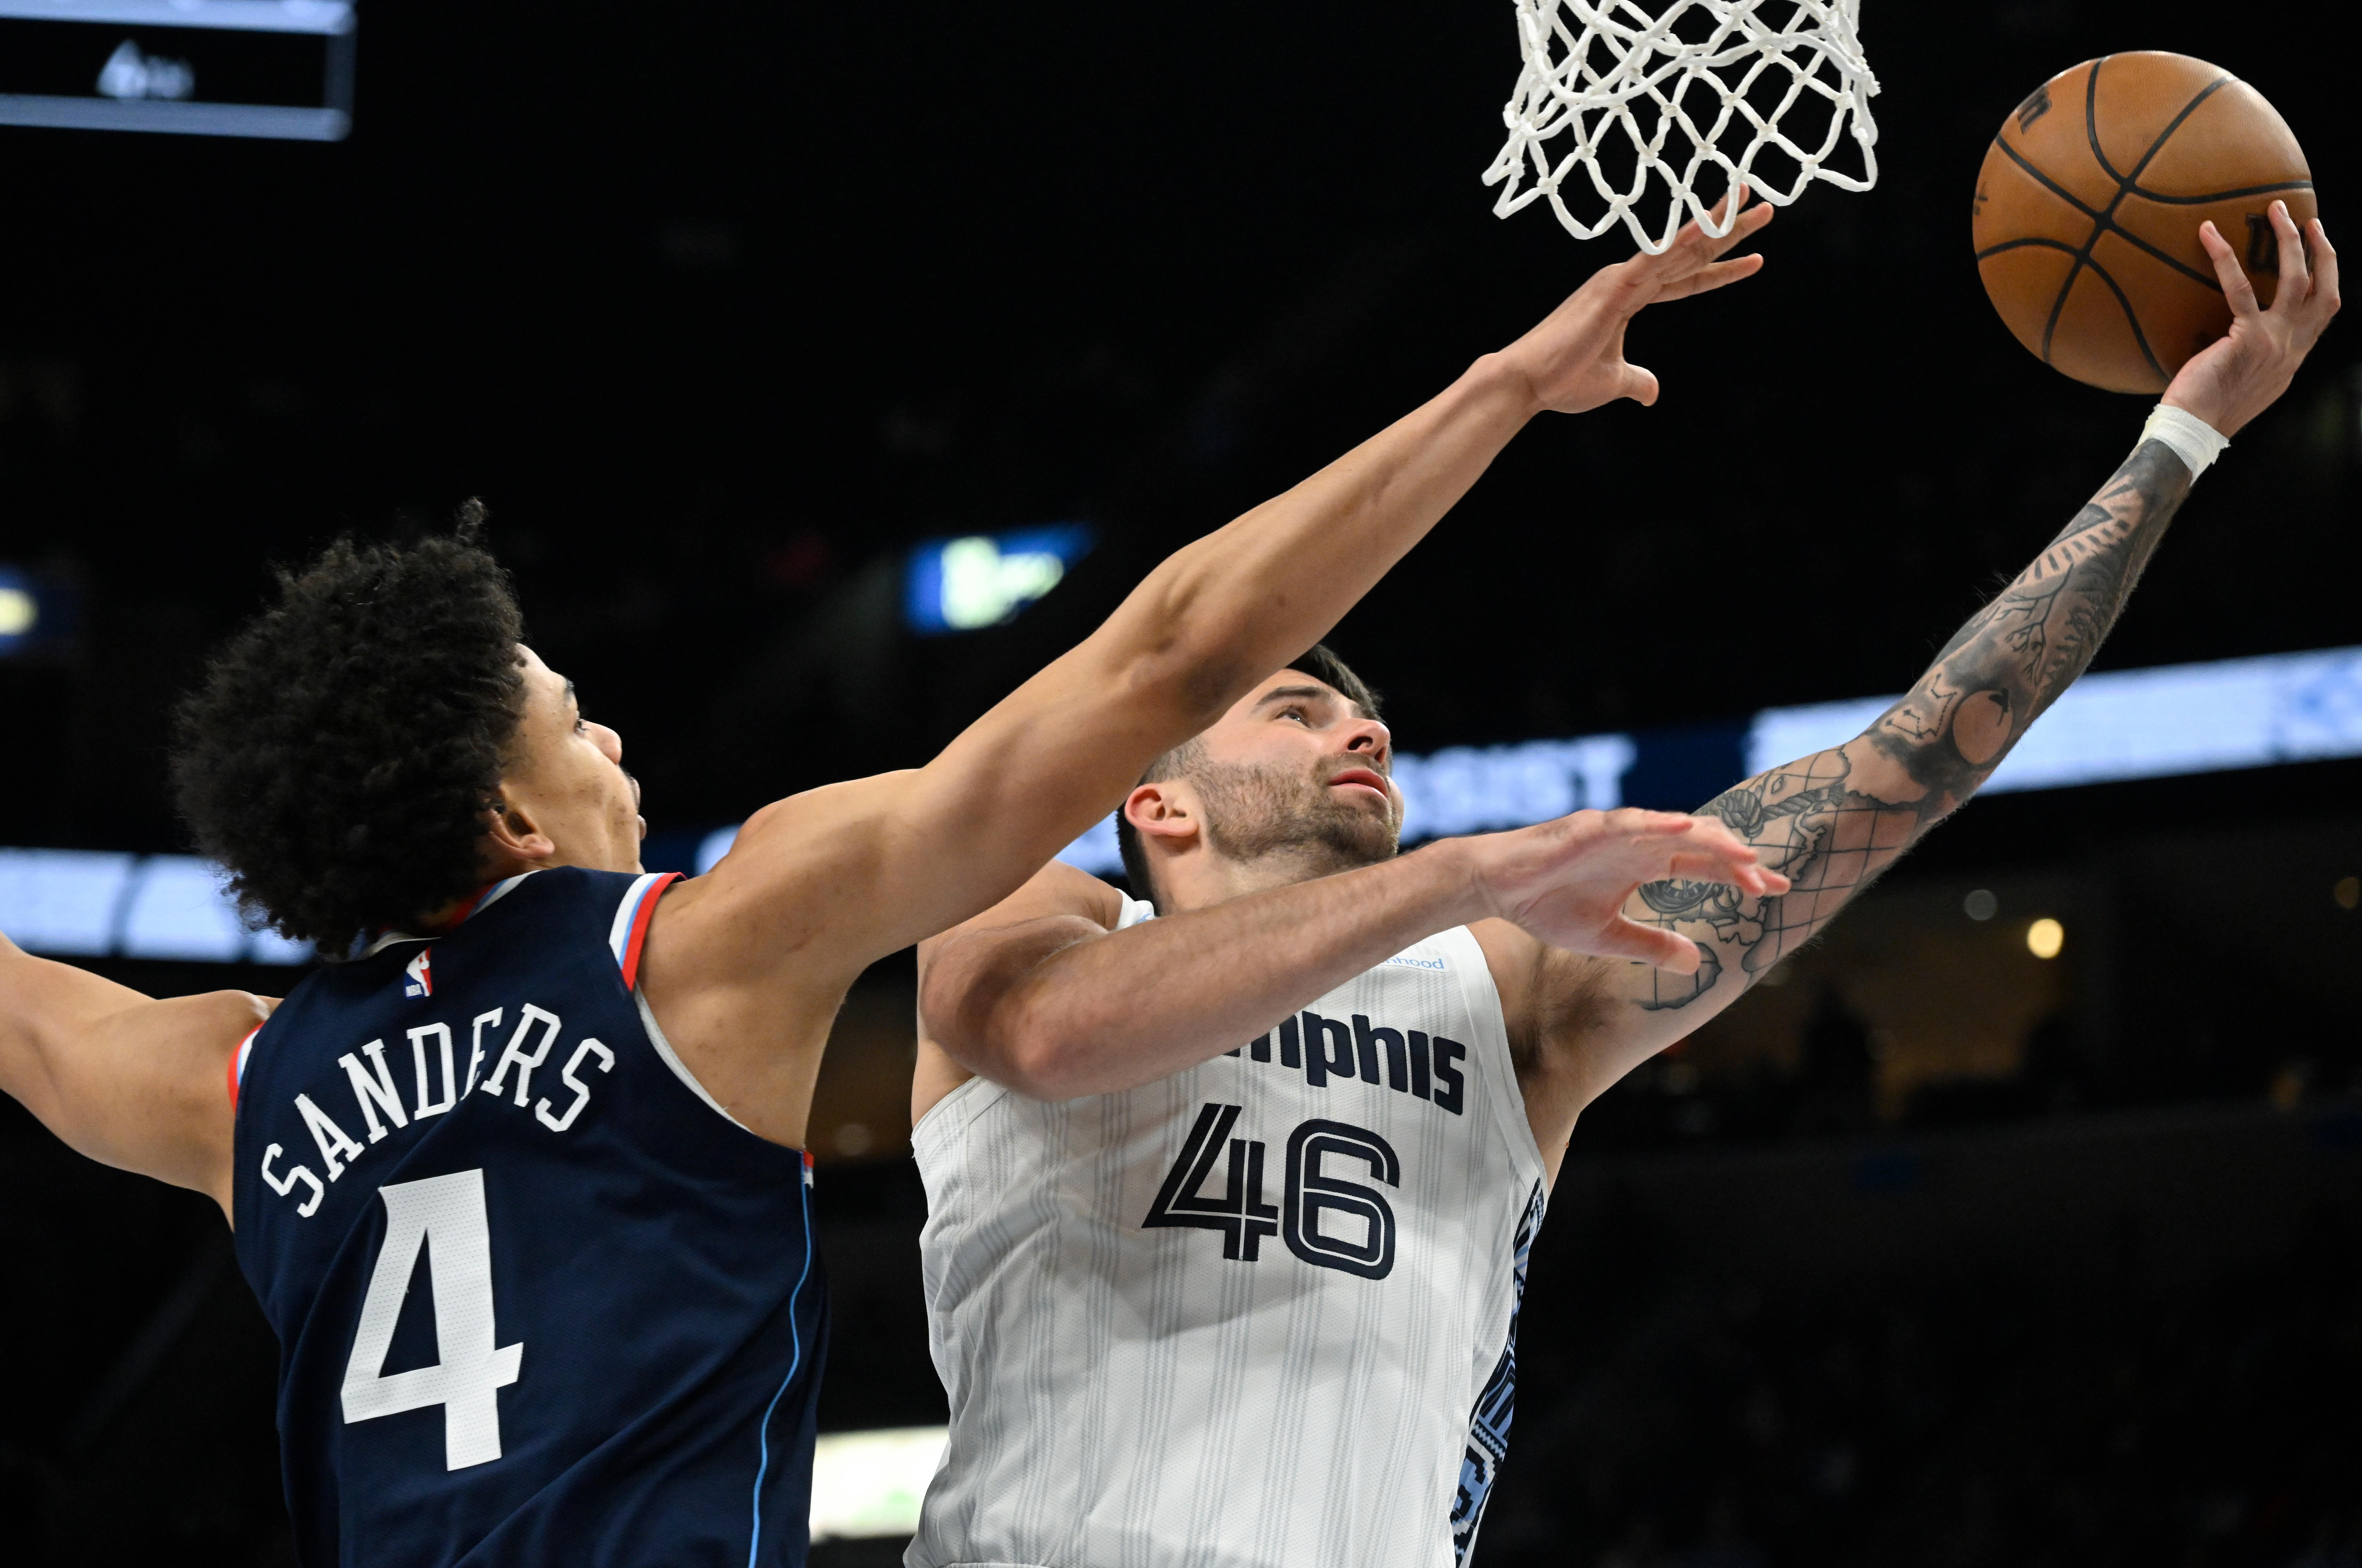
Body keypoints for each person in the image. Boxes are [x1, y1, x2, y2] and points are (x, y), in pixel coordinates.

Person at [0, 201, 1778, 1566]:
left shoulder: (230, 1082)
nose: (610, 727)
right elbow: (1168, 654)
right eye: (565, 714)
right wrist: (1495, 392)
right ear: (515, 825)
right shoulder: (692, 954)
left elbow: (26, 1015)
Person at [907, 203, 2340, 1567]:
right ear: (1151, 801)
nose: (1363, 727)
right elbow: (1056, 1035)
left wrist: (2183, 437)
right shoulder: (1027, 908)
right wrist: (1469, 871)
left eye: (1362, 716)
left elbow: (1915, 758)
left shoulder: (1509, 992)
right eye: (1294, 710)